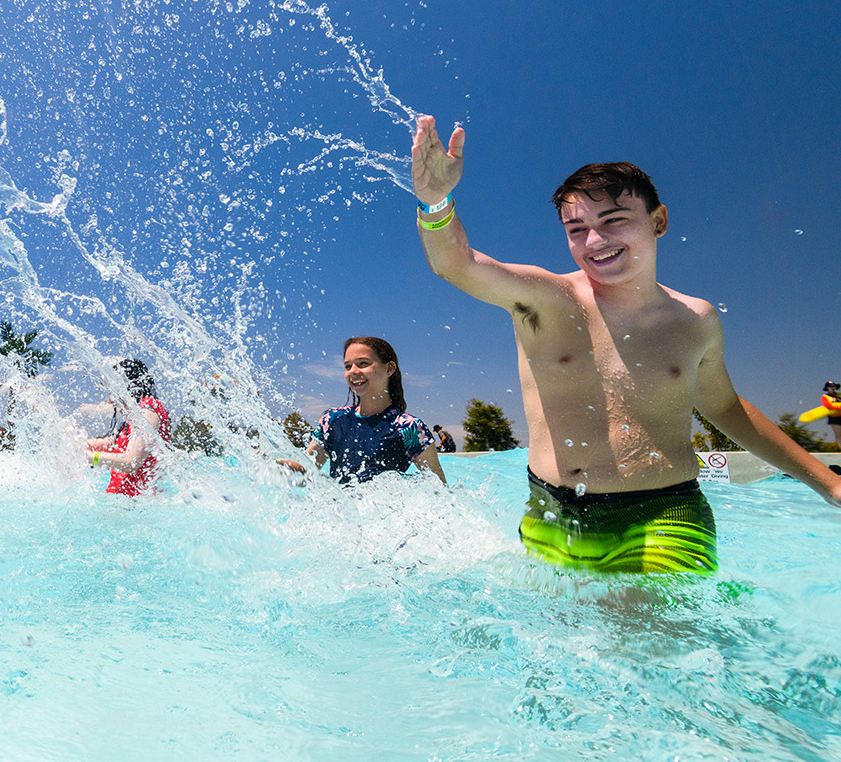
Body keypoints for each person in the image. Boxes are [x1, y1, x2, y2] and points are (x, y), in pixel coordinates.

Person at [411, 114, 841, 575]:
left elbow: (725, 408)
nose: (596, 240)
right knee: (560, 641)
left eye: (614, 220)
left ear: (658, 220)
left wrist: (829, 485)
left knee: (656, 643)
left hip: (662, 516)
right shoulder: (547, 299)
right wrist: (436, 202)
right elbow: (456, 265)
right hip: (552, 511)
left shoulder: (695, 320)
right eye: (577, 230)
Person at [305, 337, 446, 485]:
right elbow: (306, 471)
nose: (353, 371)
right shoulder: (332, 420)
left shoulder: (409, 428)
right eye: (348, 366)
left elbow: (440, 490)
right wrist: (280, 468)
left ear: (389, 368)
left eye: (363, 363)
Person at [85, 359, 172, 496]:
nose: (110, 400)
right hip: (124, 504)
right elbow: (110, 443)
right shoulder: (133, 419)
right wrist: (75, 444)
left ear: (134, 387)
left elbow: (131, 461)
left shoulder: (149, 409)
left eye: (113, 391)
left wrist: (92, 457)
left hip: (140, 507)